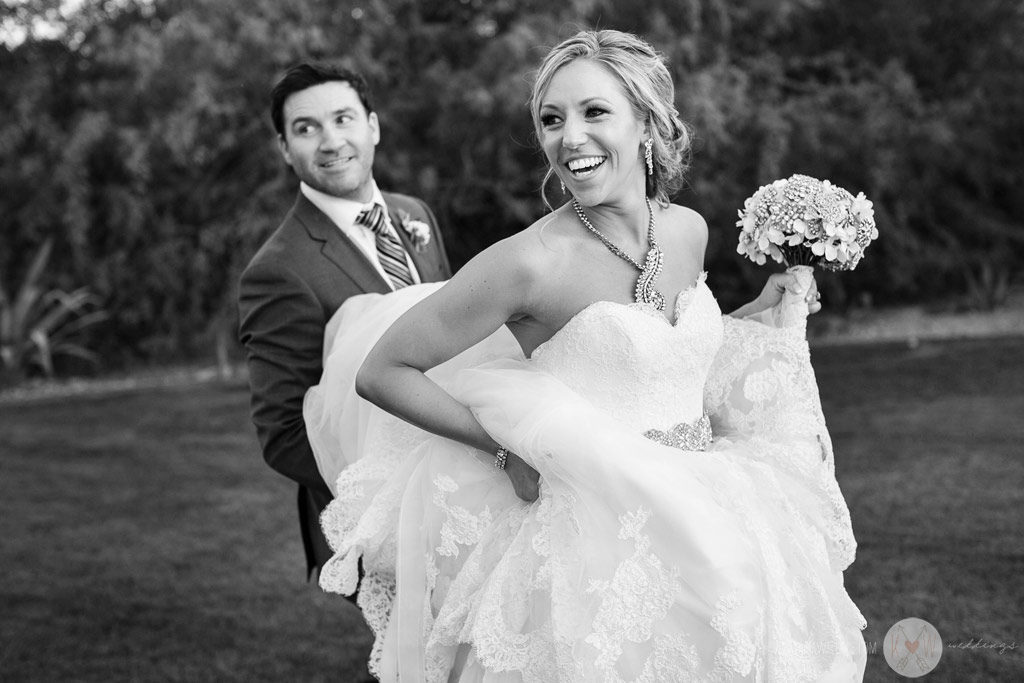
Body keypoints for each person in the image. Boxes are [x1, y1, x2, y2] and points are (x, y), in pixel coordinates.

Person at [307, 30, 866, 681]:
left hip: (711, 500)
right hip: (595, 543)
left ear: (648, 122)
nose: (568, 137)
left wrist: (763, 308)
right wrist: (501, 448)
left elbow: (671, 355)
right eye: (552, 118)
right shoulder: (530, 262)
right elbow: (383, 371)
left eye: (593, 111)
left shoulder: (687, 229)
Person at [238, 62, 451, 580]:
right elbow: (284, 433)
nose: (331, 141)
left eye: (343, 119)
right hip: (384, 513)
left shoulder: (413, 214)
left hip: (463, 476)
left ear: (372, 127)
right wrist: (396, 488)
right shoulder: (279, 270)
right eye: (306, 128)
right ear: (286, 150)